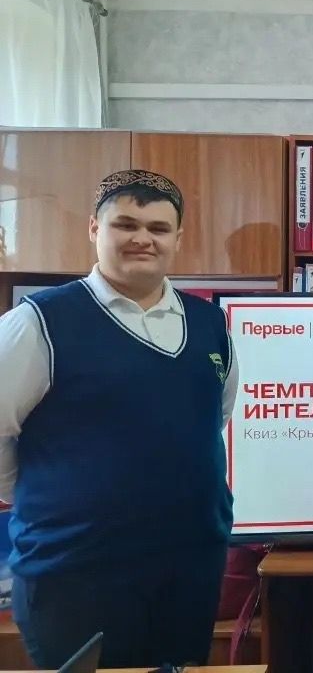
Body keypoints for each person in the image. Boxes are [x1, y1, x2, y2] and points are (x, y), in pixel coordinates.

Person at [0, 169, 239, 669]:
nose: (142, 239)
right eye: (125, 224)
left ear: (177, 238)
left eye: (158, 228)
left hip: (189, 569)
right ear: (94, 228)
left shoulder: (209, 323)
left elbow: (209, 421)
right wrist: (56, 495)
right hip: (75, 574)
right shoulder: (38, 322)